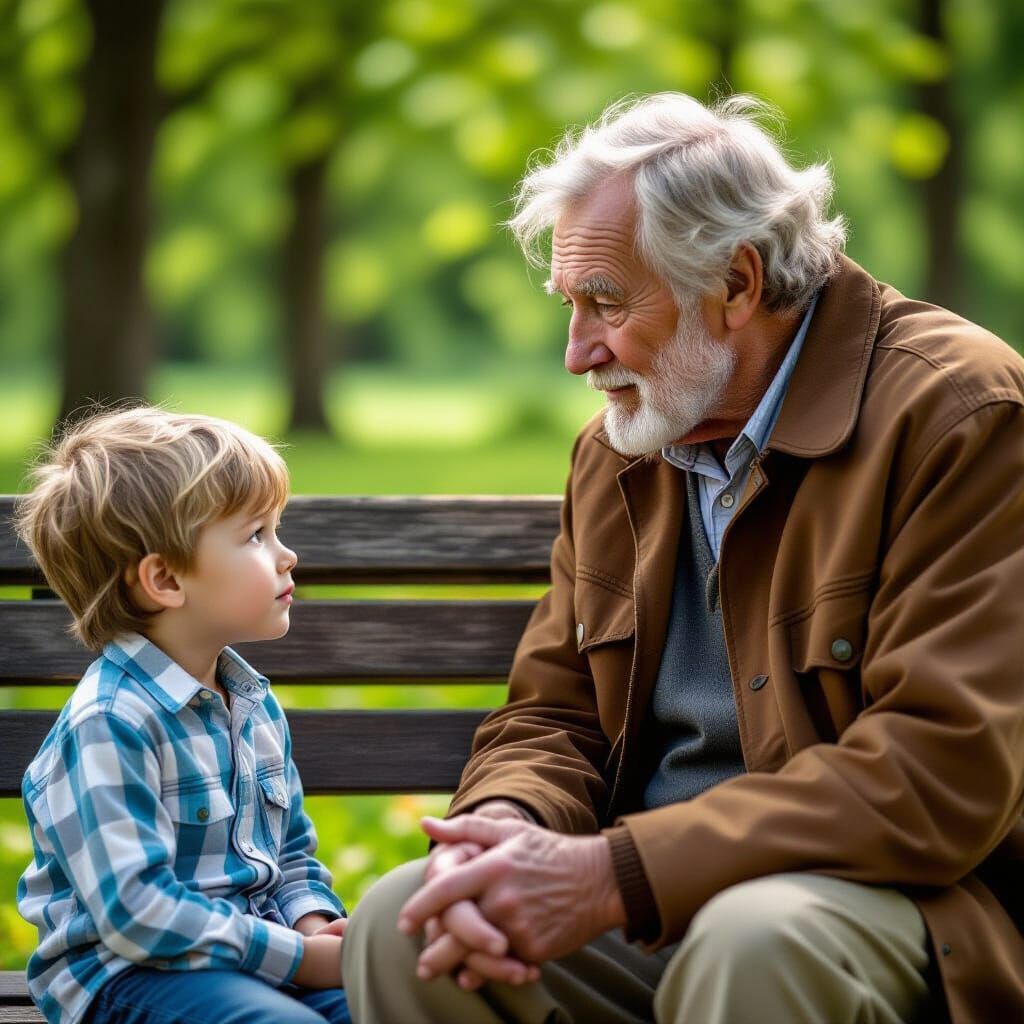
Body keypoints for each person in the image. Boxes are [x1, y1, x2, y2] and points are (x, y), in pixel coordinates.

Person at [342, 93, 1024, 1024]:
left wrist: (615, 874)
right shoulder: (622, 445)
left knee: (755, 939)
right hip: (648, 897)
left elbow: (940, 771)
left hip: (901, 905)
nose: (578, 353)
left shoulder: (961, 414)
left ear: (738, 284)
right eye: (571, 306)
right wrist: (508, 826)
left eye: (607, 303)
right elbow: (555, 713)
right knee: (406, 924)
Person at [15, 406, 351, 1024]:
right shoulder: (110, 723)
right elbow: (137, 913)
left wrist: (317, 924)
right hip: (124, 975)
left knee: (386, 1005)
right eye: (256, 536)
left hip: (250, 956)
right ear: (165, 579)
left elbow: (292, 854)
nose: (288, 556)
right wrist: (298, 957)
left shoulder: (250, 703)